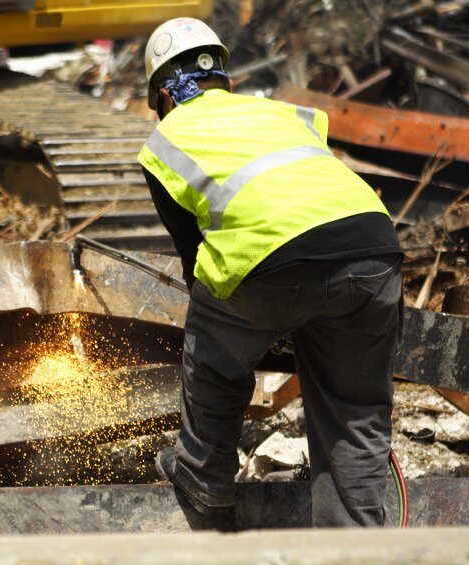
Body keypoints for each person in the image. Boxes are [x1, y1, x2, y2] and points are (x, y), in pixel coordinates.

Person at [137, 18, 403, 528]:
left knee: (211, 353)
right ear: (228, 82)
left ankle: (203, 478)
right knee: (354, 412)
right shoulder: (287, 114)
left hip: (272, 262)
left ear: (164, 97)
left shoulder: (166, 140)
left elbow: (200, 267)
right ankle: (359, 548)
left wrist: (262, 329)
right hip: (375, 251)